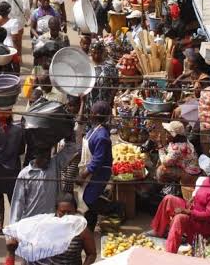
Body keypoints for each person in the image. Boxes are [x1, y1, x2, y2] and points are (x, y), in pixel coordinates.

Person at [149, 155, 210, 253]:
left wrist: (187, 211)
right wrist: (192, 199)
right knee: (169, 199)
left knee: (179, 218)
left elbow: (208, 215)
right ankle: (158, 230)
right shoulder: (206, 180)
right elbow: (198, 193)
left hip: (204, 224)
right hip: (193, 209)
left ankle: (170, 253)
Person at [0, 108, 25, 234]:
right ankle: (15, 224)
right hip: (12, 171)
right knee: (13, 198)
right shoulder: (19, 130)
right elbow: (21, 150)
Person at [77, 101, 113, 232]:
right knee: (88, 198)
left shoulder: (102, 136)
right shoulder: (94, 129)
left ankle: (113, 209)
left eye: (91, 112)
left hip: (98, 173)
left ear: (96, 115)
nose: (90, 114)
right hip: (91, 170)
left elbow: (97, 161)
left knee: (89, 199)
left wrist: (83, 174)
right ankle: (90, 223)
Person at [39, 194, 97, 265]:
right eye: (62, 212)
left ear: (75, 212)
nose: (66, 216)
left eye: (69, 212)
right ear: (56, 211)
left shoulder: (82, 230)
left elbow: (91, 254)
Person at [156, 121, 200, 187]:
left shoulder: (177, 148)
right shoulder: (184, 140)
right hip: (190, 166)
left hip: (189, 172)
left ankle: (163, 186)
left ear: (174, 135)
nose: (166, 135)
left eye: (168, 133)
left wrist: (160, 147)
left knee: (161, 170)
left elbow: (164, 162)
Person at [86, 41, 118, 112]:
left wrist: (111, 99)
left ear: (103, 52)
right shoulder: (86, 65)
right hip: (89, 103)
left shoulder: (109, 66)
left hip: (104, 103)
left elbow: (116, 83)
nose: (96, 56)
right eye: (94, 53)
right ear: (90, 52)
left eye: (99, 53)